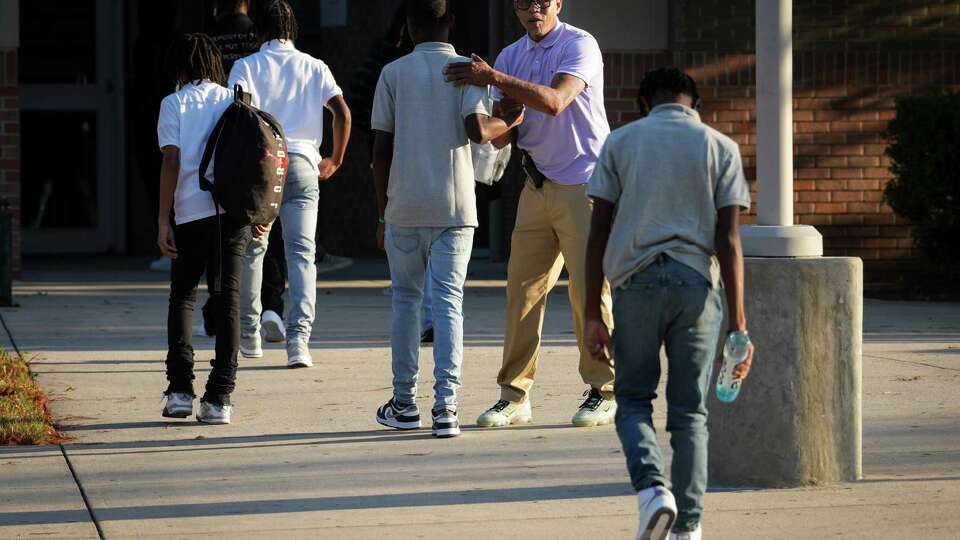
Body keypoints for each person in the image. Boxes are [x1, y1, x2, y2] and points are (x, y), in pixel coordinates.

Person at [583, 67, 755, 540]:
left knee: (634, 399)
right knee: (690, 413)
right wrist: (738, 326)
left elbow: (597, 229)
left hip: (634, 284)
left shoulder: (620, 142)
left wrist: (591, 314)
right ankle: (690, 529)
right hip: (697, 287)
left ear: (643, 103)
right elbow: (729, 239)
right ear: (694, 103)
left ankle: (652, 491)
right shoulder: (720, 147)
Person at [444, 0, 616, 428]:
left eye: (542, 2)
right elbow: (506, 131)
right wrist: (484, 123)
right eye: (523, 3)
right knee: (522, 294)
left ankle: (606, 390)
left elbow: (557, 101)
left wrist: (493, 79)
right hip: (536, 185)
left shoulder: (580, 44)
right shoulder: (510, 54)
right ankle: (514, 396)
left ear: (558, 3)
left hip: (585, 184)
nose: (532, 11)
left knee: (589, 292)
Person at [372, 0, 523, 438]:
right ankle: (446, 407)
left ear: (409, 26)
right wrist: (509, 120)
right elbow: (479, 133)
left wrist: (382, 210)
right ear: (450, 22)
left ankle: (403, 403)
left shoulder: (393, 73)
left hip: (404, 205)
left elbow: (380, 149)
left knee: (405, 301)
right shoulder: (468, 71)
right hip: (456, 208)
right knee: (449, 303)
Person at [229, 0, 352, 368]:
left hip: (263, 164)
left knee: (255, 248)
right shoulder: (315, 67)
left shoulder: (246, 67)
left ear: (259, 30)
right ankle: (299, 342)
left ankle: (250, 335)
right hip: (303, 162)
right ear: (292, 28)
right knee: (302, 254)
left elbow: (239, 117)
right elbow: (342, 113)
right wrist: (335, 159)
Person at [156, 33, 267, 425]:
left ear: (181, 67)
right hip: (233, 214)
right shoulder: (236, 99)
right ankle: (219, 398)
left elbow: (171, 161)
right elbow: (260, 157)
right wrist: (259, 213)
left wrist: (162, 218)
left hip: (189, 213)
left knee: (183, 297)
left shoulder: (174, 104)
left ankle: (181, 393)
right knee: (228, 300)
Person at [200, 0, 288, 343]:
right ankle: (272, 304)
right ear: (248, 4)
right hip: (264, 141)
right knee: (269, 229)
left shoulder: (209, 39)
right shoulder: (258, 38)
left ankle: (218, 308)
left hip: (225, 143)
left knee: (222, 231)